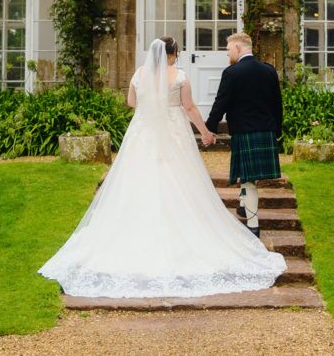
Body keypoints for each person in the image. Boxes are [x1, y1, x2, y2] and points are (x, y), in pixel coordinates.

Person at [37, 37, 286, 298]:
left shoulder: (138, 75)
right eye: (176, 53)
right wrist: (205, 132)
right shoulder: (179, 76)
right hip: (174, 133)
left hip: (142, 134)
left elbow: (132, 103)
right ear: (173, 54)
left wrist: (152, 104)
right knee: (180, 180)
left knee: (138, 179)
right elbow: (189, 107)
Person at [204, 32, 283, 238]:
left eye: (228, 49)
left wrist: (209, 128)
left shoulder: (232, 72)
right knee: (248, 177)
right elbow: (277, 104)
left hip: (245, 132)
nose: (227, 53)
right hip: (266, 130)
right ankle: (242, 205)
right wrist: (277, 131)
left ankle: (254, 225)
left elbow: (221, 103)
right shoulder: (269, 70)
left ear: (238, 48)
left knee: (248, 181)